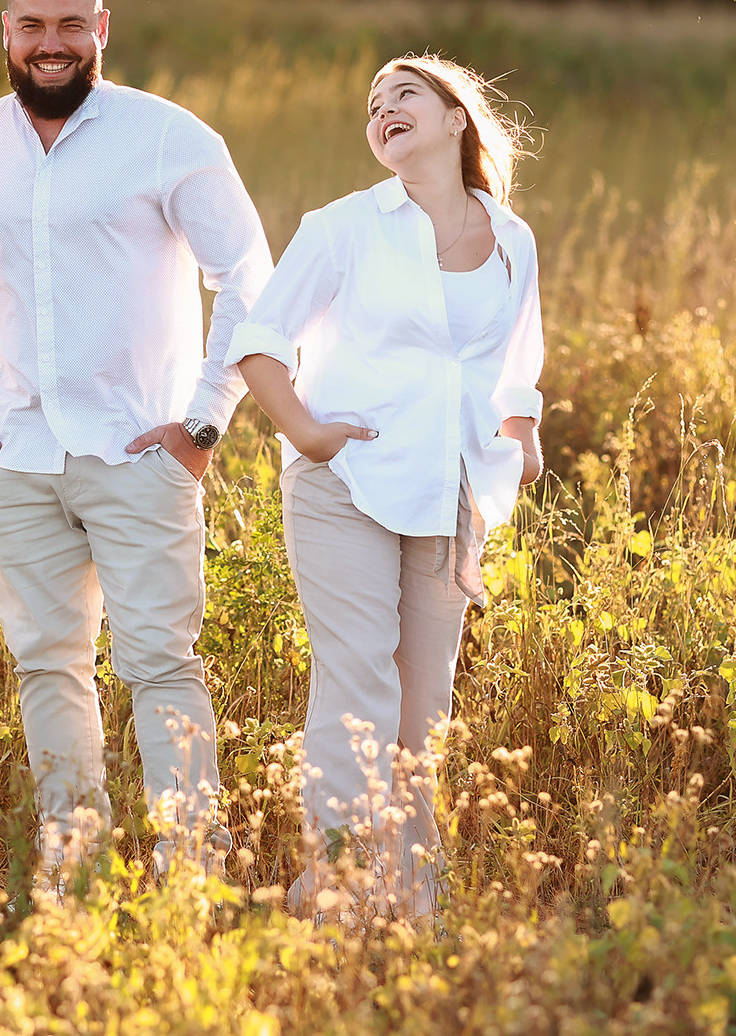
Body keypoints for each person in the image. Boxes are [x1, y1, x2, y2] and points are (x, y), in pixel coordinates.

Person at [0, 0, 273, 879]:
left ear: (101, 28)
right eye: (32, 26)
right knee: (46, 667)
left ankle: (193, 867)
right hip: (13, 456)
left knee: (161, 664)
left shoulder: (168, 136)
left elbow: (247, 278)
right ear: (7, 33)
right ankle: (75, 866)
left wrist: (203, 422)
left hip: (142, 452)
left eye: (71, 24)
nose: (51, 43)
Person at [227, 53, 545, 919]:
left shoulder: (510, 237)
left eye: (404, 94)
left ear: (455, 119)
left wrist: (520, 433)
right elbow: (258, 339)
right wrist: (306, 432)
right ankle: (338, 891)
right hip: (347, 483)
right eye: (373, 105)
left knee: (422, 702)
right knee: (358, 681)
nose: (383, 110)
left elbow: (517, 363)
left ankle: (411, 900)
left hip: (450, 491)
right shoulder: (344, 226)